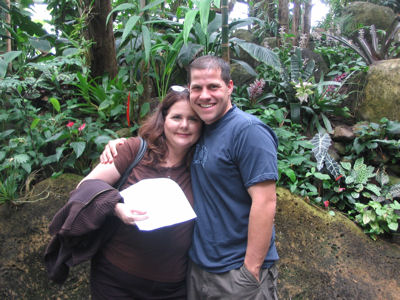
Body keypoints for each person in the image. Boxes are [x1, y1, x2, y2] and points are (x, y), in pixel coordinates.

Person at [101, 55, 279, 299]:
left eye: (213, 86)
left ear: (229, 87)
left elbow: (266, 202)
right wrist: (119, 145)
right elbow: (166, 138)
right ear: (189, 90)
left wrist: (251, 271)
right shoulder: (201, 129)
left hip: (235, 271)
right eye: (197, 87)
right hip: (197, 268)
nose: (205, 95)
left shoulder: (248, 131)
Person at [77, 87, 202, 299]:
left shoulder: (203, 165)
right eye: (177, 117)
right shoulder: (135, 150)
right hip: (115, 280)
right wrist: (116, 206)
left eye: (193, 119)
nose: (184, 125)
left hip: (171, 288)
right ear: (163, 120)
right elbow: (85, 187)